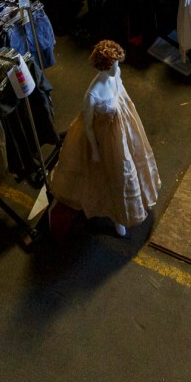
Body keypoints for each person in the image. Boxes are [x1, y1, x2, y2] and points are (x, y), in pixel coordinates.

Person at [47, 40, 160, 238]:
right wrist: (95, 149)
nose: (118, 66)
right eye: (114, 63)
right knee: (112, 174)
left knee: (127, 168)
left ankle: (121, 212)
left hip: (122, 127)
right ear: (105, 65)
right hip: (103, 137)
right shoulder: (93, 94)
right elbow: (88, 125)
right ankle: (115, 214)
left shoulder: (116, 74)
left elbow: (121, 94)